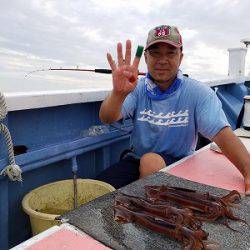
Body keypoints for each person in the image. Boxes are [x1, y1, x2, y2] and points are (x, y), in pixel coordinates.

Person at [97, 24, 250, 195]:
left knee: (151, 162)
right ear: (146, 57)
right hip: (136, 160)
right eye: (155, 53)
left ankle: (143, 210)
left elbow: (222, 134)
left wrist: (247, 170)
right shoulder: (137, 89)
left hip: (181, 164)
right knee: (96, 190)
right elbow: (107, 117)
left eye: (170, 53)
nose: (162, 60)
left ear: (180, 57)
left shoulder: (198, 93)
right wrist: (118, 94)